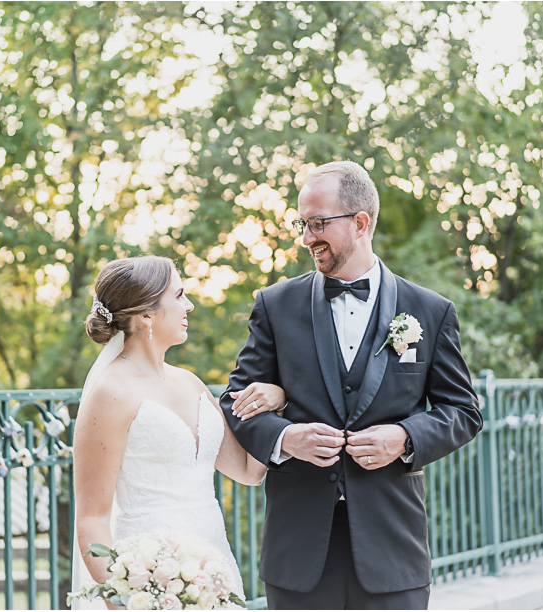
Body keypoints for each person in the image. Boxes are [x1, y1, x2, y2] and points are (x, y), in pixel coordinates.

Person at [220, 161, 483, 610]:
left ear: (360, 222)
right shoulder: (275, 305)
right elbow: (234, 402)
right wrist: (285, 439)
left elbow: (463, 411)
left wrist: (404, 438)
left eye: (318, 223)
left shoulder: (431, 311)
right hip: (298, 550)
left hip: (392, 548)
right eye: (302, 224)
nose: (306, 237)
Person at [71, 255, 286, 609]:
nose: (189, 305)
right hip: (147, 576)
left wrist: (277, 400)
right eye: (179, 295)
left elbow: (248, 471)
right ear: (146, 315)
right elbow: (92, 517)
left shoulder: (191, 383)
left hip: (214, 567)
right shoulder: (110, 393)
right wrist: (126, 594)